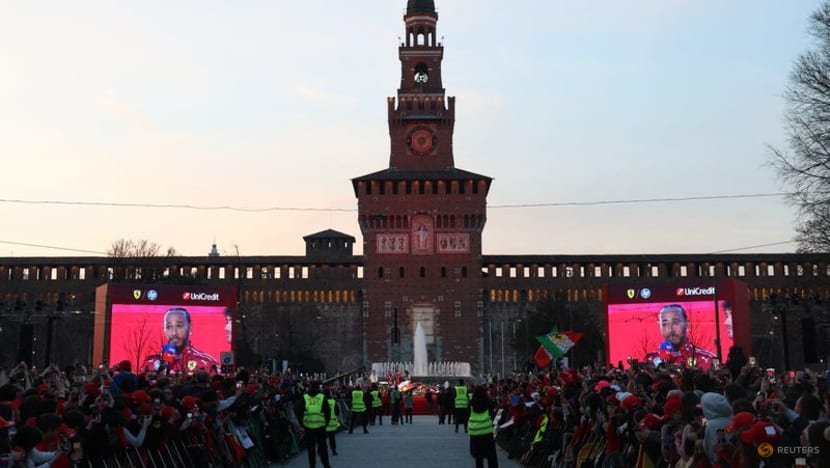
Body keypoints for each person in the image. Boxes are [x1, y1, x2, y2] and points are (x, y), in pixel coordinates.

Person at [143, 307, 220, 374]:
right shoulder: (151, 363)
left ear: (190, 328)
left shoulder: (206, 363)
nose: (174, 333)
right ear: (164, 330)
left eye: (179, 326)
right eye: (169, 327)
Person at [645, 304, 715, 368]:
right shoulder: (651, 360)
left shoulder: (706, 359)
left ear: (687, 324)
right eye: (664, 324)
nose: (670, 329)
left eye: (675, 322)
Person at [295, 381, 332, 468]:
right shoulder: (322, 397)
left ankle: (312, 466)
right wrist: (326, 423)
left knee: (311, 449)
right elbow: (328, 412)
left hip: (308, 427)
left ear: (310, 387)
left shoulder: (305, 397)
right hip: (321, 427)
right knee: (323, 449)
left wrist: (302, 423)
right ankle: (326, 465)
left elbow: (297, 410)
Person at [468, 385, 498, 468]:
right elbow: (493, 415)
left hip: (475, 432)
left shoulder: (471, 403)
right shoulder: (488, 403)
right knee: (491, 455)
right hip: (486, 431)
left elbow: (467, 415)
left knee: (478, 457)